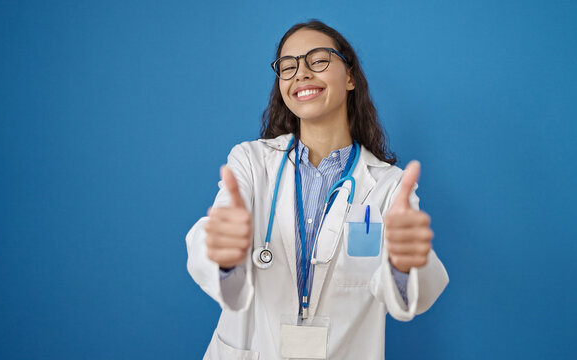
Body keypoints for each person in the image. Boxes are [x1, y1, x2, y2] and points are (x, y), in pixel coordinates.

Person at [186, 19, 449, 360]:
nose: (302, 73)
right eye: (288, 66)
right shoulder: (251, 162)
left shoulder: (388, 186)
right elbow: (214, 246)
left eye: (319, 59)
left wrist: (403, 264)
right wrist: (222, 253)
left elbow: (414, 295)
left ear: (350, 77)